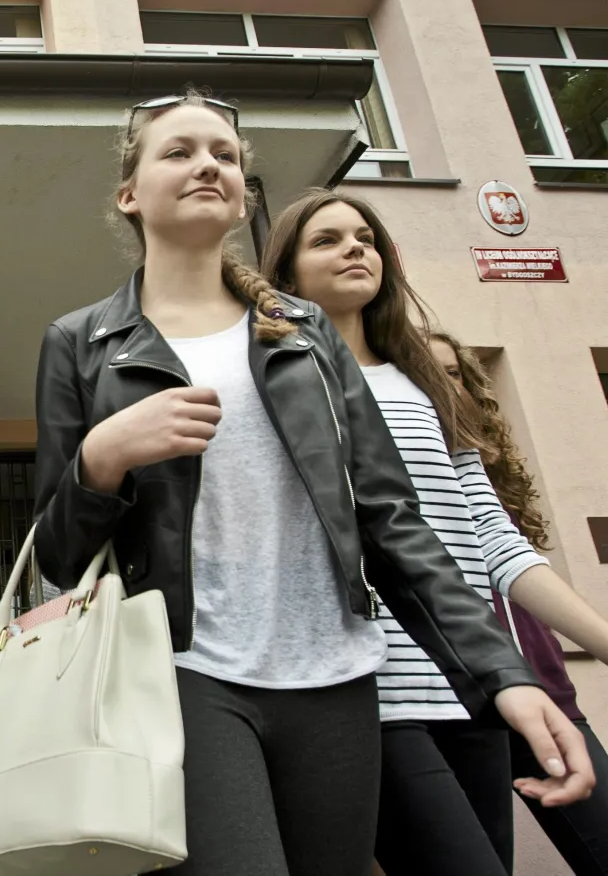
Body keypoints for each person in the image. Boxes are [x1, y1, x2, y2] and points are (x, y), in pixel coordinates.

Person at [32, 92, 592, 876]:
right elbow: (58, 555)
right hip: (184, 671)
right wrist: (103, 457)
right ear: (129, 194)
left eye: (225, 155)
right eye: (180, 151)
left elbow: (394, 524)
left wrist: (503, 674)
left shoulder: (305, 331)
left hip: (336, 678)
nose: (208, 165)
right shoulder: (82, 342)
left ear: (242, 194)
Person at [260, 186, 608, 876]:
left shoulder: (425, 381)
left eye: (364, 236)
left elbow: (494, 538)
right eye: (326, 239)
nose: (354, 247)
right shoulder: (278, 377)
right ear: (288, 274)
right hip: (374, 693)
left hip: (476, 684)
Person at [431, 328, 608, 876]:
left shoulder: (486, 474)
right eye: (425, 371)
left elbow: (512, 559)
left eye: (453, 372)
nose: (441, 383)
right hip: (448, 703)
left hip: (542, 690)